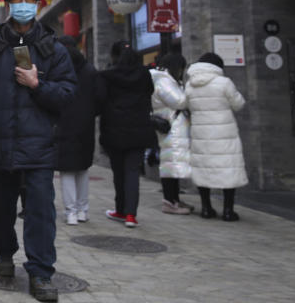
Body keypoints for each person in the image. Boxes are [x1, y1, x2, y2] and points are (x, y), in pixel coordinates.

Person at [0, 0, 76, 303]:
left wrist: (38, 85)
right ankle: (3, 255)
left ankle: (41, 273)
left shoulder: (52, 48)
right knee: (2, 209)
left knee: (41, 213)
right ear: (9, 4)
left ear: (37, 3)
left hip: (39, 146)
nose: (23, 3)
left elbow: (68, 93)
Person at [185, 52, 248, 221]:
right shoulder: (224, 83)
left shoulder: (190, 84)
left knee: (203, 168)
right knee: (227, 169)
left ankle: (206, 208)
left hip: (201, 134)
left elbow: (186, 105)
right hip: (223, 134)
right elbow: (239, 104)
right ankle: (228, 211)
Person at [99, 40, 155, 229]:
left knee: (119, 172)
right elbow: (150, 94)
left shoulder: (108, 75)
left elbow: (101, 99)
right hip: (139, 130)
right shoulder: (144, 75)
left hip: (114, 130)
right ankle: (131, 214)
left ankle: (120, 209)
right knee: (132, 172)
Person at [54, 35, 99, 226]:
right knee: (82, 169)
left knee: (67, 171)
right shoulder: (90, 70)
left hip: (63, 124)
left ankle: (71, 212)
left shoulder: (58, 70)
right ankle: (83, 210)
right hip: (86, 125)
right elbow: (100, 97)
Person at [150, 53, 193, 215]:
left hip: (172, 126)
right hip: (172, 127)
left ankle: (174, 199)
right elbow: (180, 101)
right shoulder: (164, 81)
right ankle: (169, 202)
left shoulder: (162, 79)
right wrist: (188, 90)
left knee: (173, 163)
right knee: (170, 164)